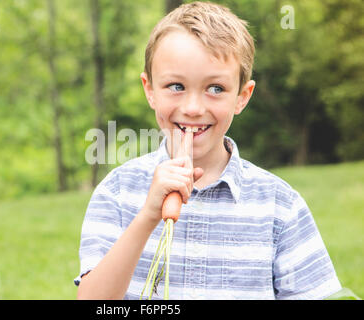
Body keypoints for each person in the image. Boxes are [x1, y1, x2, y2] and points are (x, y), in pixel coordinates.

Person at [75, 1, 342, 299]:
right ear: (149, 90)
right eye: (176, 86)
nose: (192, 108)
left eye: (215, 88)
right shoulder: (117, 192)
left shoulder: (281, 207)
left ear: (242, 96)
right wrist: (148, 216)